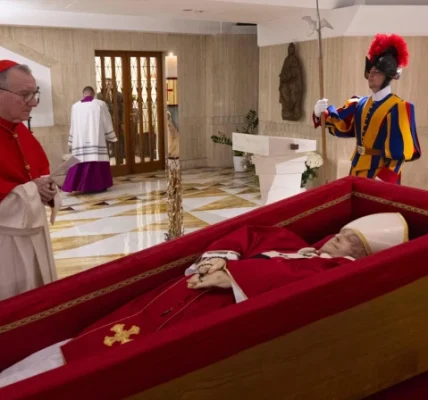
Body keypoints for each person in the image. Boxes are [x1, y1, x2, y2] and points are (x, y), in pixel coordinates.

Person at [0, 212, 408, 387]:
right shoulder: (296, 245)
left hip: (211, 309)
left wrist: (235, 275)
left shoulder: (335, 270)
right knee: (98, 334)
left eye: (350, 241)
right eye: (342, 231)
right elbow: (252, 233)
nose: (337, 238)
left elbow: (300, 282)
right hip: (181, 292)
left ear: (363, 256)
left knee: (116, 359)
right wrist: (219, 257)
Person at [313, 34, 421, 184]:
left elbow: (400, 152)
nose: (371, 75)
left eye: (376, 72)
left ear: (387, 76)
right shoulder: (359, 103)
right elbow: (342, 126)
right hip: (356, 170)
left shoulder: (398, 107)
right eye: (370, 71)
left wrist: (384, 178)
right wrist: (319, 113)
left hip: (379, 177)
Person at [0, 60, 58, 301]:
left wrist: (48, 189)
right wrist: (34, 191)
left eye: (35, 94)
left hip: (35, 230)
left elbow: (40, 172)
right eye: (25, 95)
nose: (33, 102)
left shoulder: (21, 130)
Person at [62, 86, 117, 193]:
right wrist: (110, 135)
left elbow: (73, 124)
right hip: (96, 139)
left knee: (79, 160)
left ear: (83, 94)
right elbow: (107, 120)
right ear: (93, 94)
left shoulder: (75, 106)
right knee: (96, 158)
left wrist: (71, 140)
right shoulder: (100, 104)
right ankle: (98, 185)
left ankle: (78, 186)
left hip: (80, 140)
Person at [97, 78, 124, 163]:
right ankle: (106, 161)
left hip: (116, 121)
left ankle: (119, 160)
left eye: (110, 83)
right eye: (106, 83)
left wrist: (122, 122)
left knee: (118, 140)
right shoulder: (99, 96)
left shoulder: (119, 95)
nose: (108, 85)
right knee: (105, 142)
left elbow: (122, 109)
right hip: (104, 123)